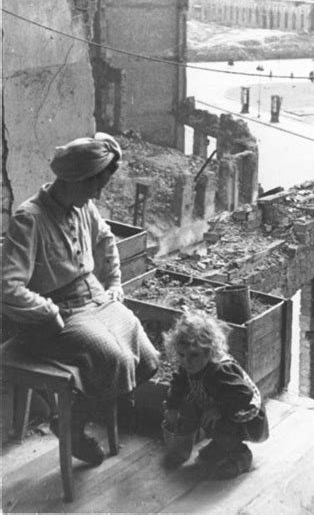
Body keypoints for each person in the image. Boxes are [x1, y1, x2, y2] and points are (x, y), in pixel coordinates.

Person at [2, 133, 161, 465]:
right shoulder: (29, 219)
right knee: (112, 358)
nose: (98, 195)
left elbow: (106, 241)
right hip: (54, 316)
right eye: (94, 186)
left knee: (147, 356)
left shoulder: (83, 205)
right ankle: (72, 425)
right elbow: (8, 286)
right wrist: (47, 310)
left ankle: (73, 417)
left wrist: (114, 282)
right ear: (74, 179)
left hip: (94, 299)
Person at [163, 311, 269, 479]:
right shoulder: (189, 366)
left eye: (194, 355)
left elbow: (243, 394)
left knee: (220, 425)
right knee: (191, 408)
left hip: (242, 414)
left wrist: (218, 410)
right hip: (218, 404)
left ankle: (241, 456)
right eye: (182, 355)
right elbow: (179, 383)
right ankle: (220, 445)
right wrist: (172, 405)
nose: (187, 361)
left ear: (209, 351)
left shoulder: (220, 371)